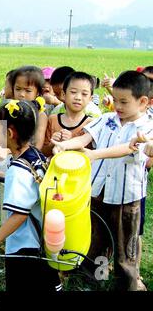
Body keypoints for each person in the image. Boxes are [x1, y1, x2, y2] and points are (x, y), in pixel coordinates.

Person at [52, 71, 153, 291]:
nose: (117, 105)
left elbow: (128, 148)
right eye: (115, 100)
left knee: (125, 247)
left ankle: (128, 284)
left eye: (124, 102)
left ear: (143, 102)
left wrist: (94, 154)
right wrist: (64, 145)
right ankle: (93, 280)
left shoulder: (147, 128)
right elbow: (85, 138)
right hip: (98, 192)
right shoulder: (107, 119)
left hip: (126, 198)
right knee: (95, 239)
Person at [0, 100, 62, 292]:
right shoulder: (34, 155)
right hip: (41, 240)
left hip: (23, 246)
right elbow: (32, 186)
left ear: (9, 133)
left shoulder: (18, 171)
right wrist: (2, 176)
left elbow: (19, 215)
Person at [42, 72, 94, 158]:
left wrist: (70, 143)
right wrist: (52, 144)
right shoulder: (52, 119)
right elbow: (43, 152)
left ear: (90, 99)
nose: (78, 97)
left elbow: (91, 155)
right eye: (73, 92)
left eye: (84, 94)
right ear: (63, 94)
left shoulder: (91, 124)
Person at [9, 66, 48, 151]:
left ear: (37, 92)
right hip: (6, 155)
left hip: (28, 156)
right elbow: (2, 140)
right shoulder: (8, 110)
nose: (22, 94)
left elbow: (38, 144)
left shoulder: (40, 115)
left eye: (28, 91)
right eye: (18, 89)